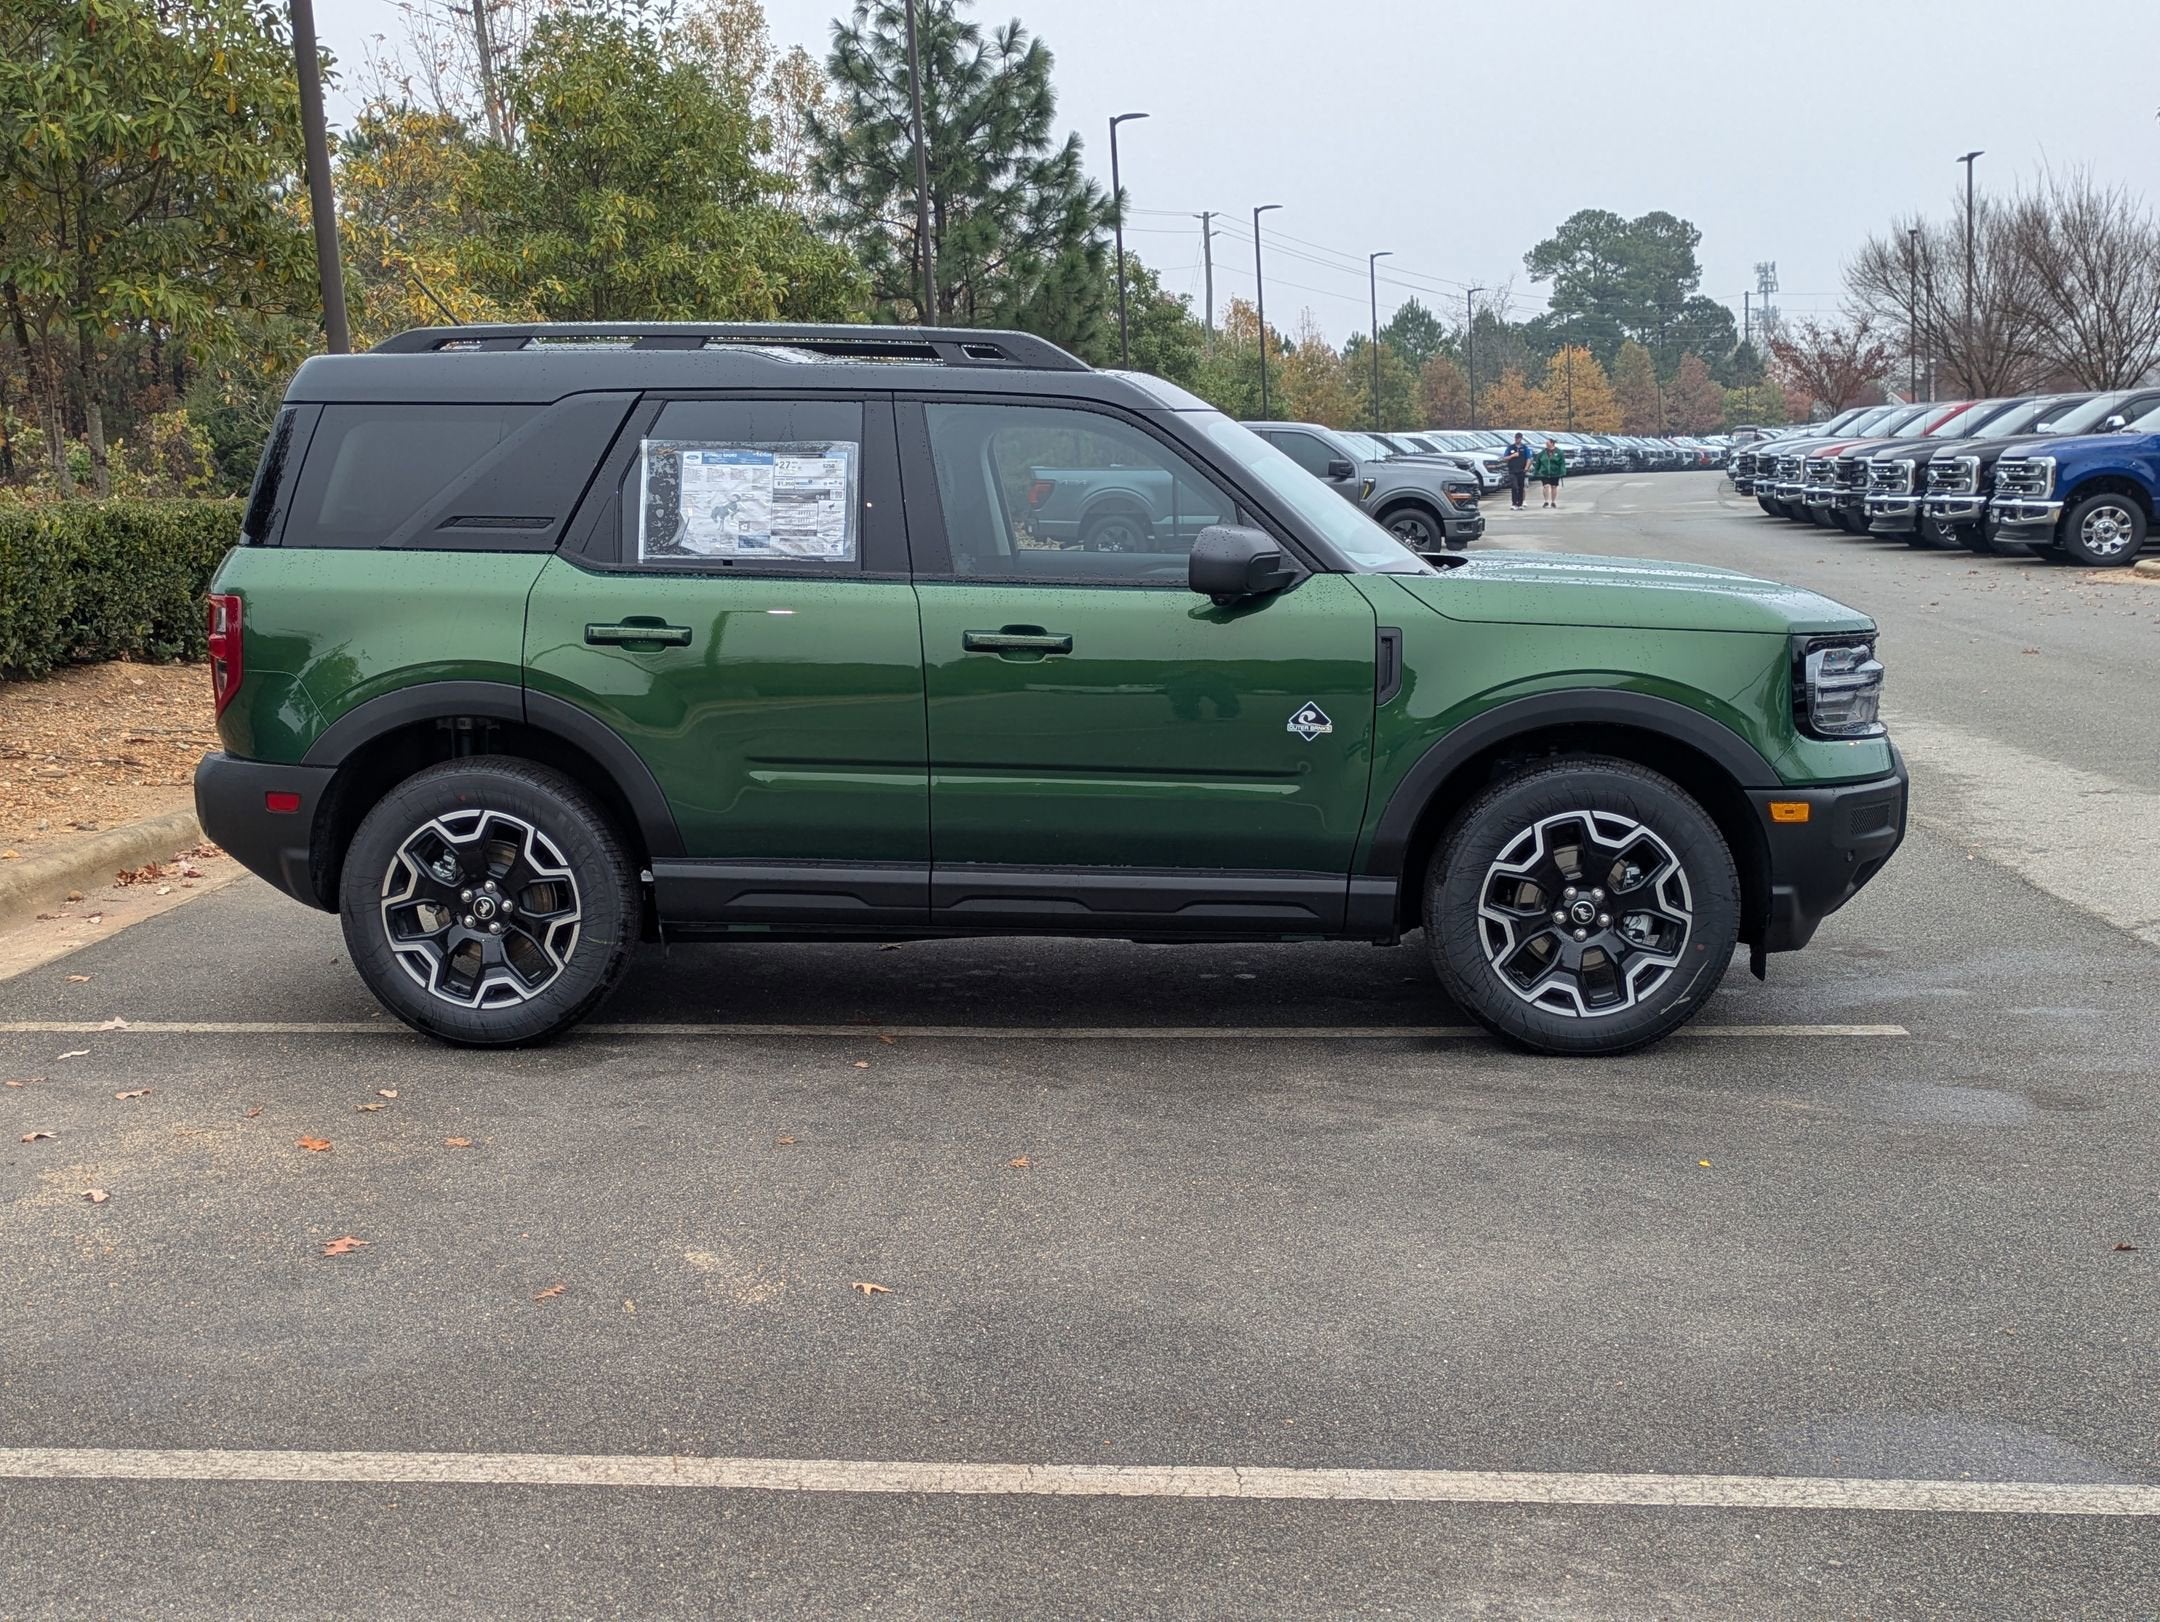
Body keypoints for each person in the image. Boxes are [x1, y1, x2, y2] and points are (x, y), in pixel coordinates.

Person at [1533, 438, 1566, 508]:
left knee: (1554, 487)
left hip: (1555, 473)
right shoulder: (1542, 452)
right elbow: (1538, 462)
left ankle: (1553, 502)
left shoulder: (1559, 452)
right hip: (1544, 472)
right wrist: (1536, 471)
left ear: (1552, 443)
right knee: (1546, 486)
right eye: (1546, 443)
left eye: (1548, 443)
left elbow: (1562, 463)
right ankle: (1546, 501)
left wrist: (1562, 471)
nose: (1546, 445)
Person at [1502, 433, 1531, 509]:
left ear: (1521, 439)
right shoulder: (1510, 447)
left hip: (1521, 470)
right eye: (1516, 438)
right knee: (1514, 487)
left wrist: (1526, 467)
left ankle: (1520, 504)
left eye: (1518, 438)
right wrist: (1512, 456)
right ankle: (1514, 503)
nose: (1517, 439)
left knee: (1521, 487)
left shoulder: (1525, 448)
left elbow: (1528, 458)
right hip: (1512, 470)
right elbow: (1505, 458)